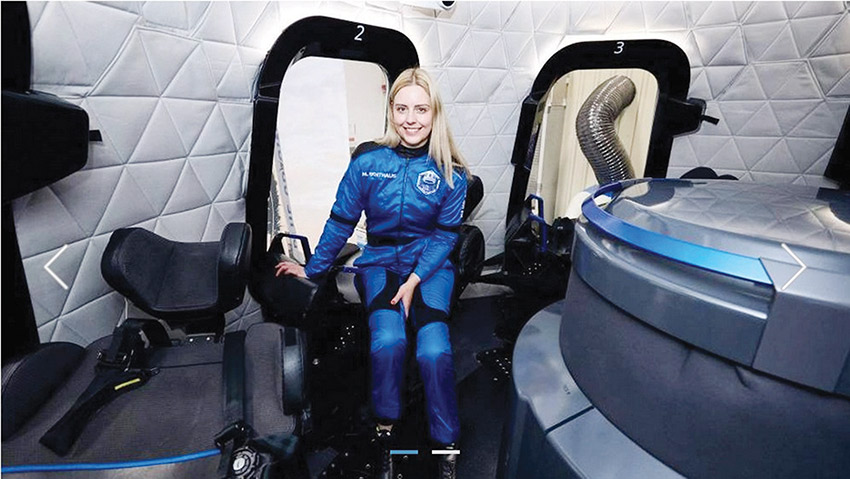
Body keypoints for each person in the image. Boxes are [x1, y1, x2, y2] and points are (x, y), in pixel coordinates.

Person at [275, 67, 469, 479]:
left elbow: (445, 237)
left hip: (430, 266)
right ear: (391, 111)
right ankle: (385, 431)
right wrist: (312, 269)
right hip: (380, 261)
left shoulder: (452, 173)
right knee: (388, 342)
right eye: (401, 108)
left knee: (434, 350)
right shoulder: (368, 162)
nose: (410, 119)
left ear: (435, 113)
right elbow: (340, 221)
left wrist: (415, 280)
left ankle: (446, 447)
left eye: (421, 109)